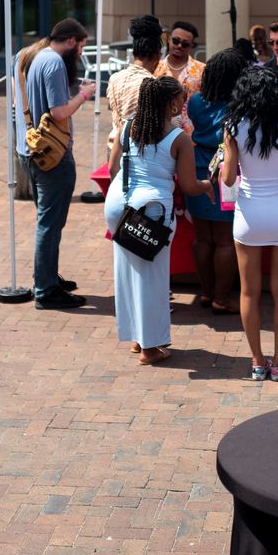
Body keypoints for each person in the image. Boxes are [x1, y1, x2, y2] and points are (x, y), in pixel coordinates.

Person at [105, 77, 208, 366]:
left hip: (119, 204)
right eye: (181, 98)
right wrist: (206, 185)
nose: (184, 102)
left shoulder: (128, 126)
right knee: (153, 278)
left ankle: (138, 338)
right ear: (169, 103)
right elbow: (188, 185)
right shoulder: (179, 138)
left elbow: (114, 168)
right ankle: (150, 347)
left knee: (128, 272)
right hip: (152, 210)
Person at [220, 67, 278, 381]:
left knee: (248, 293)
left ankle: (257, 362)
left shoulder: (232, 126)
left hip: (249, 213)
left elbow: (229, 178)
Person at [20, 19, 98, 309]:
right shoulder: (53, 63)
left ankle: (47, 276)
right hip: (53, 153)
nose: (80, 53)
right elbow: (59, 111)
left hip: (37, 150)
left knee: (49, 221)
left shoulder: (38, 56)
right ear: (70, 41)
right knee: (50, 223)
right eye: (81, 46)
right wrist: (84, 95)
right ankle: (46, 289)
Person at [186, 48, 246, 314]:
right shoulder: (238, 107)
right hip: (225, 172)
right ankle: (222, 298)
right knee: (224, 240)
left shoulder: (196, 101)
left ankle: (207, 293)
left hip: (197, 168)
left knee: (203, 238)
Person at [106, 15, 163, 142]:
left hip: (114, 147)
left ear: (133, 52)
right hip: (137, 153)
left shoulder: (114, 78)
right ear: (158, 55)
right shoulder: (152, 84)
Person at [155, 20, 205, 94]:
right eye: (175, 41)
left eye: (185, 44)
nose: (179, 46)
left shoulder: (202, 70)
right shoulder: (155, 67)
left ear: (191, 46)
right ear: (169, 39)